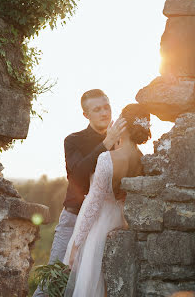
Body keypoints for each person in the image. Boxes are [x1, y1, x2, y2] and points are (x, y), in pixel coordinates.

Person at [33, 89, 126, 297]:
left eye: (107, 107)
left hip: (105, 225)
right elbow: (77, 175)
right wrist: (105, 144)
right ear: (86, 115)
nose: (104, 113)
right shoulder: (73, 140)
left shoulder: (123, 141)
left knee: (95, 286)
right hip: (74, 218)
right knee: (53, 282)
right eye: (97, 109)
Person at [63, 103, 151, 297]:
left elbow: (94, 203)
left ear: (123, 125)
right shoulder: (142, 159)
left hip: (100, 224)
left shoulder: (107, 158)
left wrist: (77, 244)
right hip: (121, 222)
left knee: (92, 283)